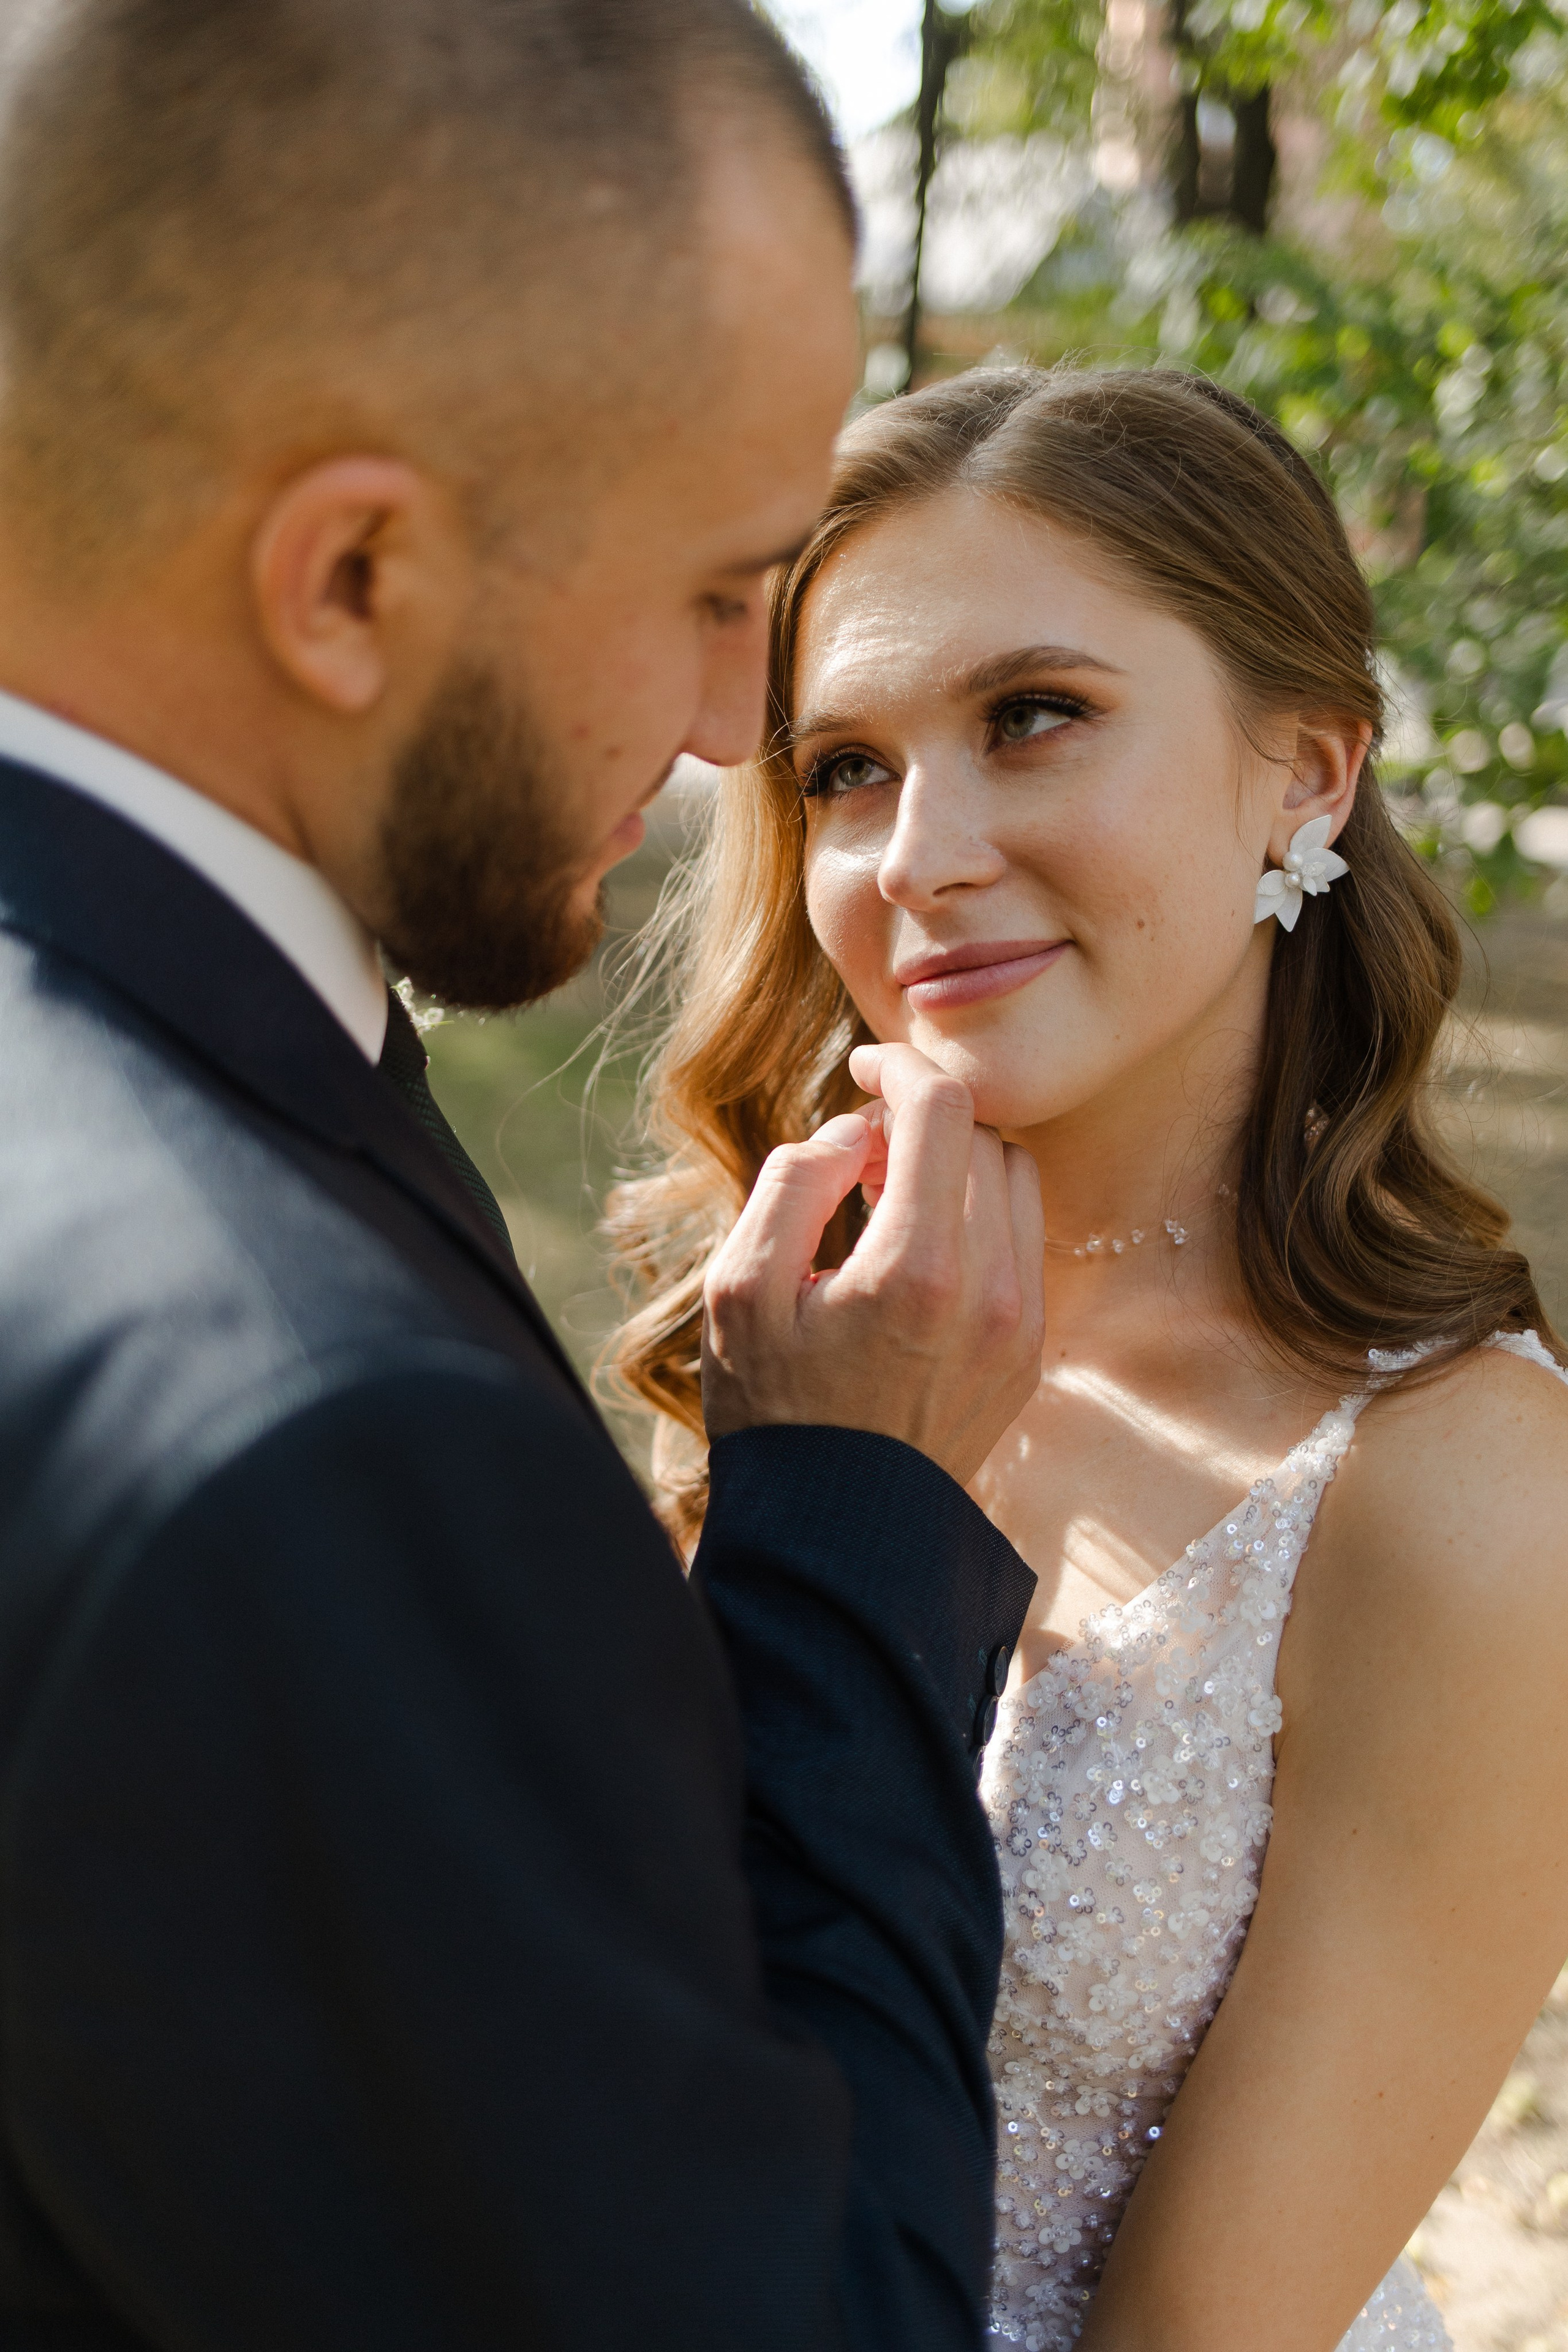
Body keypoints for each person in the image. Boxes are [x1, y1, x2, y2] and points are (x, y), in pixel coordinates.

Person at [0, 5, 1053, 2345]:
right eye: (710, 592)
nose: (723, 733)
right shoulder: (300, 1428)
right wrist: (851, 1540)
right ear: (351, 578)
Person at [607, 364, 1568, 2352]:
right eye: (846, 771)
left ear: (1306, 770)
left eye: (1033, 719)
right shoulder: (809, 1326)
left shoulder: (1472, 1500)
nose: (923, 856)